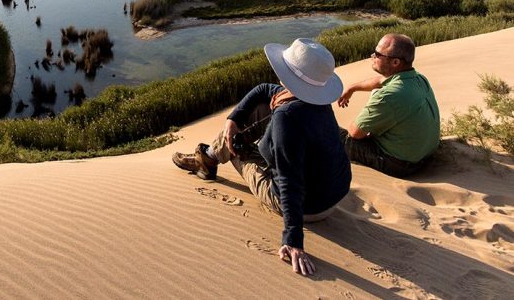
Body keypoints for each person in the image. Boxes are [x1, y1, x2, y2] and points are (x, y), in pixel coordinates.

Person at [172, 38, 352, 276]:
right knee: (255, 112)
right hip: (331, 197)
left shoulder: (287, 117)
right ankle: (208, 156)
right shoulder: (314, 100)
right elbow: (263, 89)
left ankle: (207, 159)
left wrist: (293, 239)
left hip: (309, 208)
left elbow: (289, 181)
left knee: (233, 143)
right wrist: (233, 119)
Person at [337, 33, 440, 177]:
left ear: (395, 62)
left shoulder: (389, 95)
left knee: (336, 135)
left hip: (400, 164)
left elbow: (355, 133)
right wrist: (352, 88)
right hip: (425, 155)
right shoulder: (418, 79)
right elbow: (380, 81)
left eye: (378, 54)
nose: (372, 56)